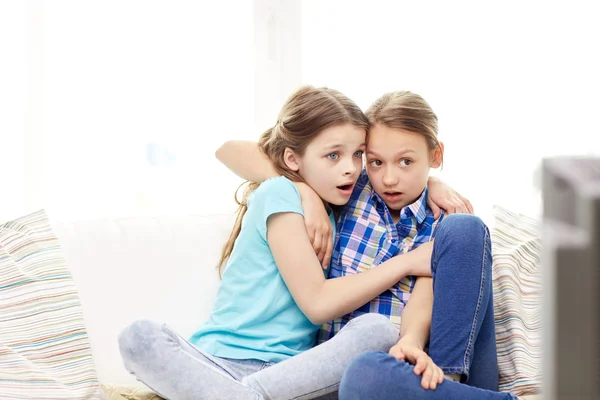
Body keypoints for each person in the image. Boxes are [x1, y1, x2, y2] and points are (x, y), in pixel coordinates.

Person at [118, 86, 437, 400]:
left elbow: (402, 176)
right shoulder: (279, 193)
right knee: (139, 336)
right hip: (217, 365)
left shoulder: (342, 202)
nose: (351, 168)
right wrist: (406, 261)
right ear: (293, 160)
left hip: (290, 376)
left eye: (358, 155)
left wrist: (434, 183)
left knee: (378, 331)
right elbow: (317, 304)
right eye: (334, 155)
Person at [221, 90, 525, 399]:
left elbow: (426, 292)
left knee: (465, 228)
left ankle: (449, 387)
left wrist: (411, 341)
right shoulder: (349, 191)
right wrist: (302, 190)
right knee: (364, 373)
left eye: (406, 161)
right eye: (376, 161)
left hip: (428, 372)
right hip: (359, 377)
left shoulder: (442, 220)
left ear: (435, 156)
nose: (389, 178)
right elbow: (231, 151)